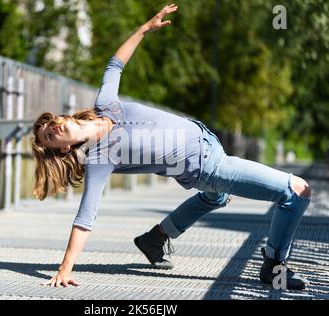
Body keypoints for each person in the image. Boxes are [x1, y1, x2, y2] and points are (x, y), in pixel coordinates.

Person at [32, 4, 312, 290]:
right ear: (64, 150)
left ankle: (155, 238)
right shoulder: (100, 158)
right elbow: (85, 216)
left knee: (215, 197)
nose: (52, 129)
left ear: (61, 117)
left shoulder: (106, 104)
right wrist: (65, 267)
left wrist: (144, 29)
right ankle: (274, 266)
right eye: (50, 138)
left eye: (50, 124)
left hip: (207, 143)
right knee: (296, 191)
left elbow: (114, 64)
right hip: (207, 167)